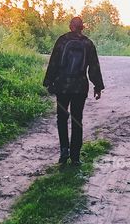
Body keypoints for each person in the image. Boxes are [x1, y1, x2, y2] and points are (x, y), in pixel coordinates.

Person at [43, 16, 104, 165]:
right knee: (77, 120)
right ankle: (75, 156)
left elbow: (54, 62)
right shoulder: (88, 43)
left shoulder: (62, 41)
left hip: (62, 87)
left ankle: (64, 151)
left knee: (62, 119)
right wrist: (97, 86)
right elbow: (94, 67)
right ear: (82, 28)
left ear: (70, 26)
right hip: (80, 88)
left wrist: (48, 81)